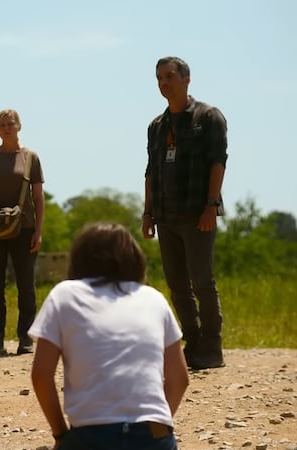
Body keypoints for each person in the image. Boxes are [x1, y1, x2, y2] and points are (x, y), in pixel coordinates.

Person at [30, 222, 190, 450]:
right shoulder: (154, 299)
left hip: (91, 435)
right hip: (154, 435)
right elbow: (180, 379)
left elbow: (41, 376)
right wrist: (156, 423)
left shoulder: (65, 295)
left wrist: (60, 435)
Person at [142, 56, 228, 370]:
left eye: (169, 77)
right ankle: (192, 343)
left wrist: (210, 205)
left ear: (186, 79)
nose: (164, 83)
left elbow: (218, 162)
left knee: (202, 281)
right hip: (166, 216)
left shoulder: (208, 117)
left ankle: (212, 346)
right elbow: (150, 172)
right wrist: (148, 213)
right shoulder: (157, 125)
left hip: (197, 214)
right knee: (177, 284)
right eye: (159, 78)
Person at [0, 109, 44, 356]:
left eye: (10, 123)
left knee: (25, 284)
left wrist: (39, 231)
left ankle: (25, 337)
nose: (6, 127)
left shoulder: (30, 157)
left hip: (23, 228)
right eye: (2, 124)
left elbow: (38, 197)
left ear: (19, 126)